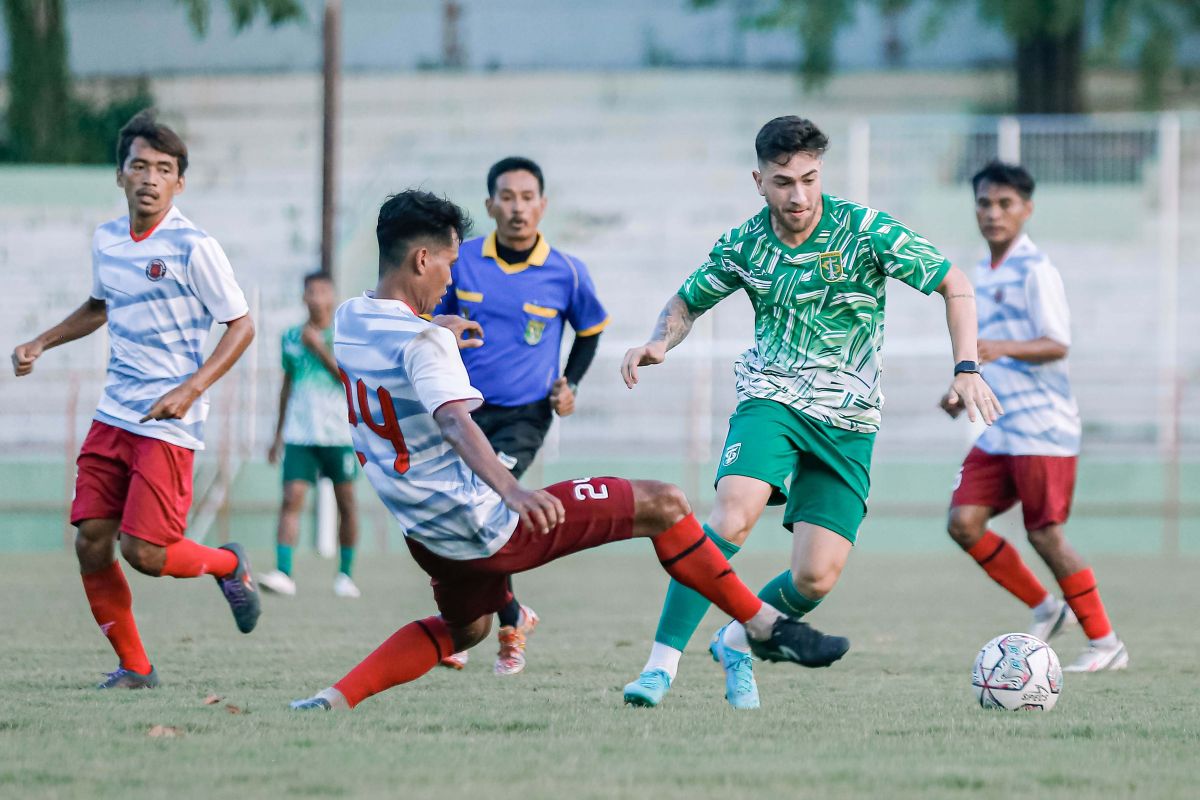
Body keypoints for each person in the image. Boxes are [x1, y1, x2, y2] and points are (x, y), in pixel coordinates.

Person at [289, 189, 849, 711]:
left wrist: (438, 321)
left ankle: (332, 700)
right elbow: (456, 424)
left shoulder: (351, 319)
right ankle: (765, 628)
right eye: (448, 263)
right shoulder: (426, 342)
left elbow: (401, 342)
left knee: (469, 630)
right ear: (420, 261)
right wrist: (513, 491)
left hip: (427, 536)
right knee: (665, 503)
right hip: (484, 526)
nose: (451, 274)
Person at [619, 115, 1003, 710]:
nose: (797, 195)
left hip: (849, 419)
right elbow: (687, 300)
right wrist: (658, 341)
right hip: (771, 397)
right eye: (782, 182)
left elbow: (955, 282)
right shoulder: (744, 244)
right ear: (759, 181)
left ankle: (737, 638)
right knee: (733, 515)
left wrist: (966, 366)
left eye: (808, 179)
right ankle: (658, 668)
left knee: (816, 577)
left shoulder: (866, 230)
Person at [9, 110, 260, 689]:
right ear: (120, 175)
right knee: (92, 542)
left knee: (146, 553)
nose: (150, 177)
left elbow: (242, 325)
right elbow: (101, 306)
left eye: (164, 168)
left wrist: (190, 388)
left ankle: (227, 563)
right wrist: (42, 341)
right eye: (140, 165)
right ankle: (135, 667)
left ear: (179, 183)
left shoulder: (195, 246)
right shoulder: (107, 239)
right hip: (113, 414)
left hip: (169, 423)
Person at [941, 161, 1126, 672]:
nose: (993, 213)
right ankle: (1046, 607)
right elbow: (982, 351)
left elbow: (1056, 343)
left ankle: (1107, 643)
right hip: (1002, 428)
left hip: (1043, 429)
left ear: (1027, 209)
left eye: (1005, 204)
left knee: (1045, 533)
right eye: (984, 203)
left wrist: (999, 348)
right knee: (964, 522)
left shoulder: (1037, 270)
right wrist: (962, 388)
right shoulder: (981, 270)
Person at [431, 156, 609, 674]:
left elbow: (591, 330)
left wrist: (569, 383)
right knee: (454, 514)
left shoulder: (567, 271)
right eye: (506, 197)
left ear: (543, 205)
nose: (517, 207)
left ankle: (475, 625)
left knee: (483, 502)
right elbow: (428, 315)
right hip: (462, 411)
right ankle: (505, 614)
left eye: (527, 197)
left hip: (525, 416)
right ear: (489, 205)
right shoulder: (460, 263)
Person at [260, 271, 361, 599]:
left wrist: (318, 347)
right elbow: (287, 385)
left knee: (346, 503)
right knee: (291, 499)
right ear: (304, 297)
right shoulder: (290, 336)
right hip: (301, 434)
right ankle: (283, 573)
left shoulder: (345, 335)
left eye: (323, 291)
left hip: (339, 436)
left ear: (332, 296)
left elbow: (346, 381)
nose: (317, 297)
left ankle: (345, 575)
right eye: (311, 292)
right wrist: (277, 435)